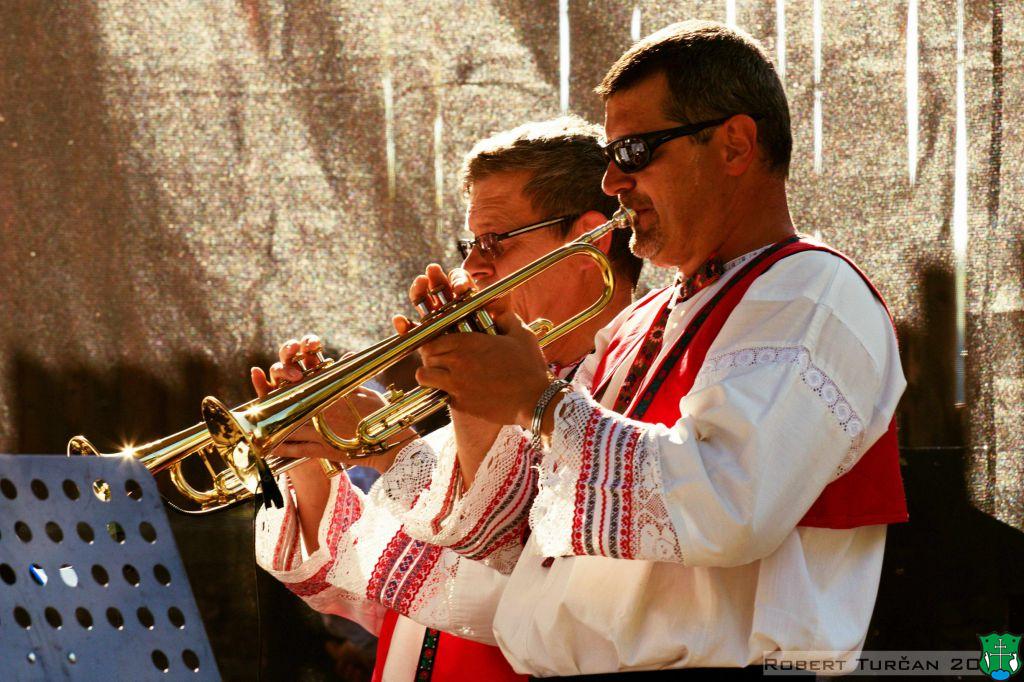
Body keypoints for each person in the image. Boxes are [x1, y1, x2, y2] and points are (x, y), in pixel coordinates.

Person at [400, 20, 909, 676]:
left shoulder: (815, 294)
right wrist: (475, 384)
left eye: (635, 151)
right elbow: (509, 539)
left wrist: (537, 400)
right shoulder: (641, 320)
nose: (612, 180)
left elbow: (728, 503)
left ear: (734, 144)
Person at [252, 116, 642, 681]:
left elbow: (507, 587)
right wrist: (309, 450)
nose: (470, 267)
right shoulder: (479, 405)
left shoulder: (627, 405)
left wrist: (391, 452)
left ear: (590, 241)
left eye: (494, 241)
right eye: (469, 244)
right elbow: (373, 591)